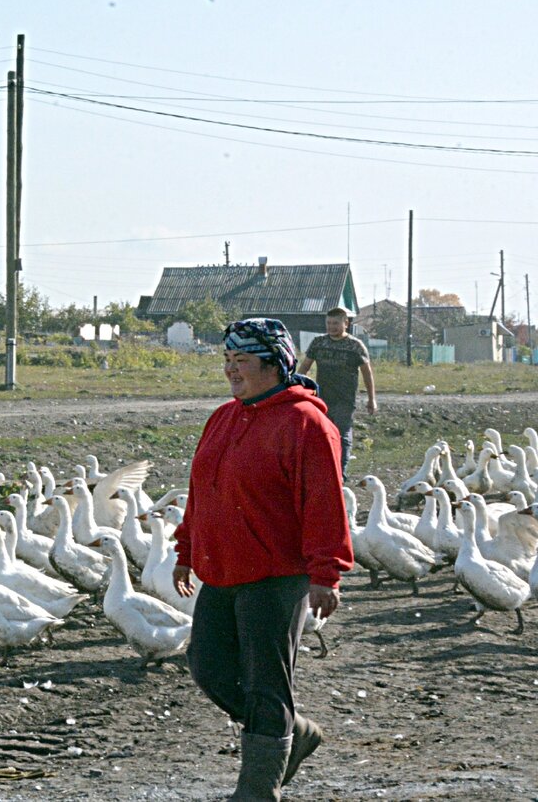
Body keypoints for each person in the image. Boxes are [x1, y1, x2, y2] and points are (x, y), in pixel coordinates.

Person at [173, 318, 353, 801]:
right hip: (223, 569)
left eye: (243, 362)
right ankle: (295, 732)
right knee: (208, 667)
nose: (232, 371)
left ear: (275, 365)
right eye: (227, 362)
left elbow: (323, 502)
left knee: (265, 682)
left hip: (277, 575)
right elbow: (201, 492)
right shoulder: (224, 417)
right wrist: (186, 549)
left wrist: (326, 573)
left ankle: (257, 790)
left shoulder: (308, 423)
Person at [296, 307, 376, 478]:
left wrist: (372, 399)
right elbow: (304, 367)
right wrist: (293, 387)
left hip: (345, 399)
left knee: (342, 433)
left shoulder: (355, 346)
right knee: (321, 434)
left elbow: (367, 373)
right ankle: (323, 469)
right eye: (329, 323)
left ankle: (341, 472)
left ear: (345, 323)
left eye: (335, 323)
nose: (331, 327)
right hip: (322, 397)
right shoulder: (318, 342)